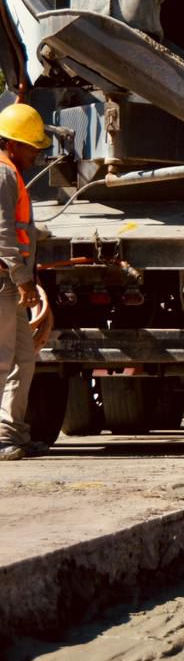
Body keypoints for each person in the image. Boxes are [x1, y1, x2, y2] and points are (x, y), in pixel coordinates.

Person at [0, 104, 51, 461]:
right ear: (13, 144)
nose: (36, 153)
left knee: (23, 359)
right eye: (32, 146)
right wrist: (21, 278)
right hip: (4, 281)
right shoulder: (3, 174)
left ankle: (11, 434)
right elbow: (2, 232)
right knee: (3, 360)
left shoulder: (10, 173)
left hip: (12, 282)